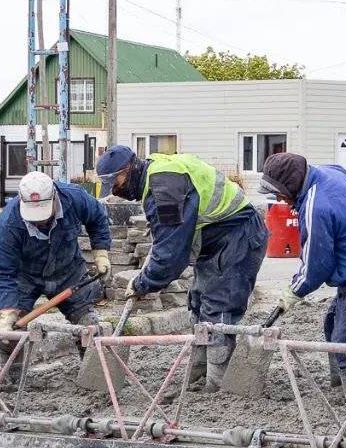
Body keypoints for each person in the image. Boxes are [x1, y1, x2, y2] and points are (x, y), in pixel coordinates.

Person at [97, 146, 268, 390]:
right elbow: (177, 220)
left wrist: (143, 283)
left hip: (238, 236)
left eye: (116, 184)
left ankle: (218, 386)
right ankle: (199, 372)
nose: (116, 191)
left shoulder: (164, 186)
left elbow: (170, 258)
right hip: (217, 236)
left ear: (129, 168)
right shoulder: (155, 172)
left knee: (218, 307)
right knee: (197, 302)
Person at [260, 152, 346, 398]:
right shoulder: (329, 170)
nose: (279, 199)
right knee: (333, 324)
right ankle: (340, 383)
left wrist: (293, 292)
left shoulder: (315, 208)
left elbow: (316, 265)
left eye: (279, 193)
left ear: (291, 184)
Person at [0, 172, 112, 351]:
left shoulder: (75, 198)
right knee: (11, 335)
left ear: (54, 196)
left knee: (89, 328)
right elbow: (1, 270)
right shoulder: (8, 223)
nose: (40, 220)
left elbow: (98, 216)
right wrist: (7, 310)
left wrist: (100, 252)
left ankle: (92, 368)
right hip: (26, 277)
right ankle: (11, 368)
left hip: (68, 272)